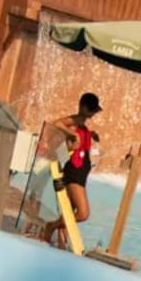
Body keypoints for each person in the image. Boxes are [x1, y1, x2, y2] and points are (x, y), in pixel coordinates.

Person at [38, 92, 101, 248]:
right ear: (83, 107)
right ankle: (51, 227)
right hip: (74, 171)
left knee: (69, 212)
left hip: (81, 171)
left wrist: (89, 135)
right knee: (82, 213)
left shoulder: (83, 124)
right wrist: (72, 134)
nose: (93, 113)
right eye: (91, 110)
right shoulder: (75, 120)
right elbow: (56, 123)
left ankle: (59, 241)